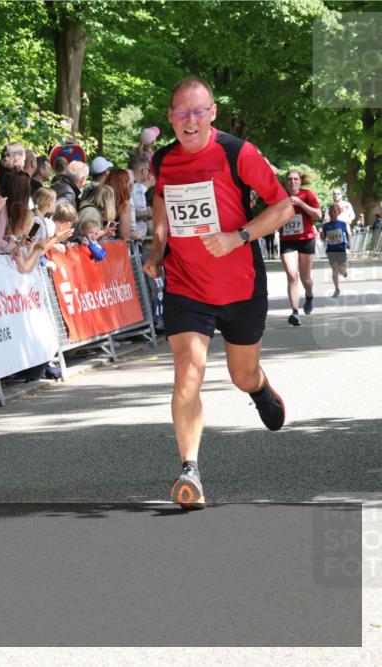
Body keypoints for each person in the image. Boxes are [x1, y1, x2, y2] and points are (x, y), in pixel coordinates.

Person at [143, 77, 292, 510]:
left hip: (240, 284)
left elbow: (282, 205)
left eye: (198, 111)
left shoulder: (236, 152)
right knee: (188, 369)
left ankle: (260, 389)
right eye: (181, 112)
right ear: (171, 116)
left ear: (212, 113)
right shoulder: (163, 161)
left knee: (241, 374)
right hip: (187, 284)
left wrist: (239, 236)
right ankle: (189, 469)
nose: (190, 120)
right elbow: (161, 202)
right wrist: (158, 248)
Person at [279, 169, 321, 325]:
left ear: (300, 181)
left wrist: (300, 203)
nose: (292, 181)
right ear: (286, 182)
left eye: (295, 179)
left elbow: (318, 215)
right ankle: (295, 312)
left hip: (306, 239)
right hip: (287, 240)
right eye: (289, 179)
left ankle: (309, 296)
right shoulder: (280, 196)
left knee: (306, 278)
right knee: (292, 275)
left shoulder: (307, 195)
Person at [320, 203, 350, 298]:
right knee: (334, 269)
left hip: (341, 249)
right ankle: (337, 289)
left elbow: (348, 234)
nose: (332, 213)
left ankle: (344, 272)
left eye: (334, 211)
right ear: (328, 213)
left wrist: (349, 245)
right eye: (331, 211)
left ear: (338, 212)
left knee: (341, 270)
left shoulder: (342, 224)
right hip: (331, 250)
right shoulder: (326, 225)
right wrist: (321, 235)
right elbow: (323, 238)